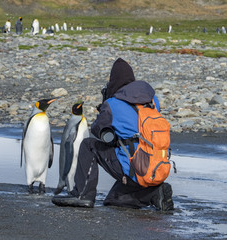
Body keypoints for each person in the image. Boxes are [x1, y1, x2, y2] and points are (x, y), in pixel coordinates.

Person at [52, 58, 174, 210]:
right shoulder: (153, 101)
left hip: (133, 167)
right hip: (154, 166)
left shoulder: (113, 103)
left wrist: (105, 104)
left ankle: (82, 195)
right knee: (113, 201)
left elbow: (98, 130)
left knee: (88, 145)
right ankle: (154, 193)